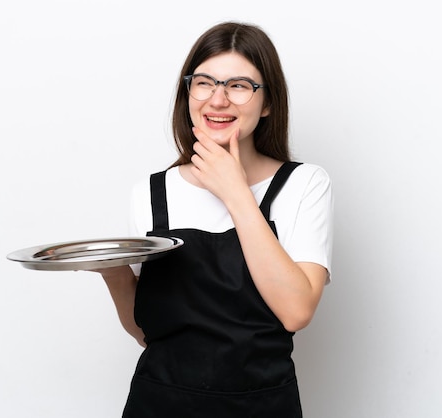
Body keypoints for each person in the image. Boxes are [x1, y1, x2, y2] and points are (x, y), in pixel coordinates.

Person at [96, 21, 333, 418]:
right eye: (204, 82)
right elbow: (148, 333)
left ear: (268, 102)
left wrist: (236, 192)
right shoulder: (152, 193)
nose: (218, 100)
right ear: (188, 93)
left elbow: (296, 311)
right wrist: (113, 274)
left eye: (239, 85)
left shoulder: (304, 184)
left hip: (261, 406)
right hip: (159, 404)